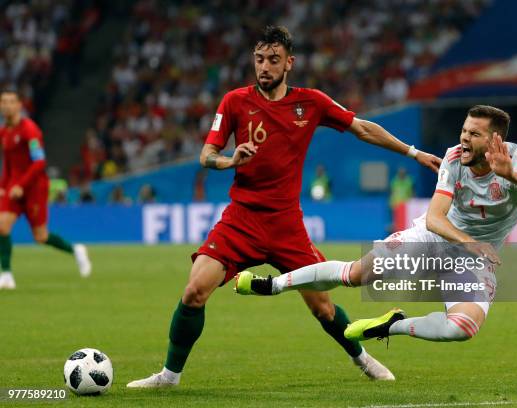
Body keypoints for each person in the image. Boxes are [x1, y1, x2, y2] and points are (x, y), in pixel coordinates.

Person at [127, 25, 441, 388]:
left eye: (273, 60)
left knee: (322, 307)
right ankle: (169, 376)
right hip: (240, 220)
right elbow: (206, 155)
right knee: (194, 291)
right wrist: (230, 161)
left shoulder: (311, 103)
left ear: (289, 63)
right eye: (259, 59)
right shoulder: (234, 102)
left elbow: (362, 129)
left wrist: (414, 153)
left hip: (286, 225)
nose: (264, 66)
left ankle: (363, 358)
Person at [236, 105, 517, 347]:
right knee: (353, 275)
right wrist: (471, 241)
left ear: (495, 140)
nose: (464, 138)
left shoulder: (513, 160)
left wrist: (511, 174)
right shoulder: (455, 158)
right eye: (464, 130)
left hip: (470, 258)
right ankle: (272, 285)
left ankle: (393, 325)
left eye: (474, 133)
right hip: (433, 239)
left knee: (461, 329)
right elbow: (434, 218)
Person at [0, 90, 92, 290]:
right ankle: (6, 274)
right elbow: (8, 164)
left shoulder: (29, 130)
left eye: (11, 102)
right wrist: (3, 186)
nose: (7, 105)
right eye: (3, 102)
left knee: (40, 236)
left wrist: (20, 185)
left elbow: (39, 162)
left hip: (34, 188)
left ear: (19, 106)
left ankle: (76, 250)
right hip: (14, 188)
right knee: (2, 226)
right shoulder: (4, 133)